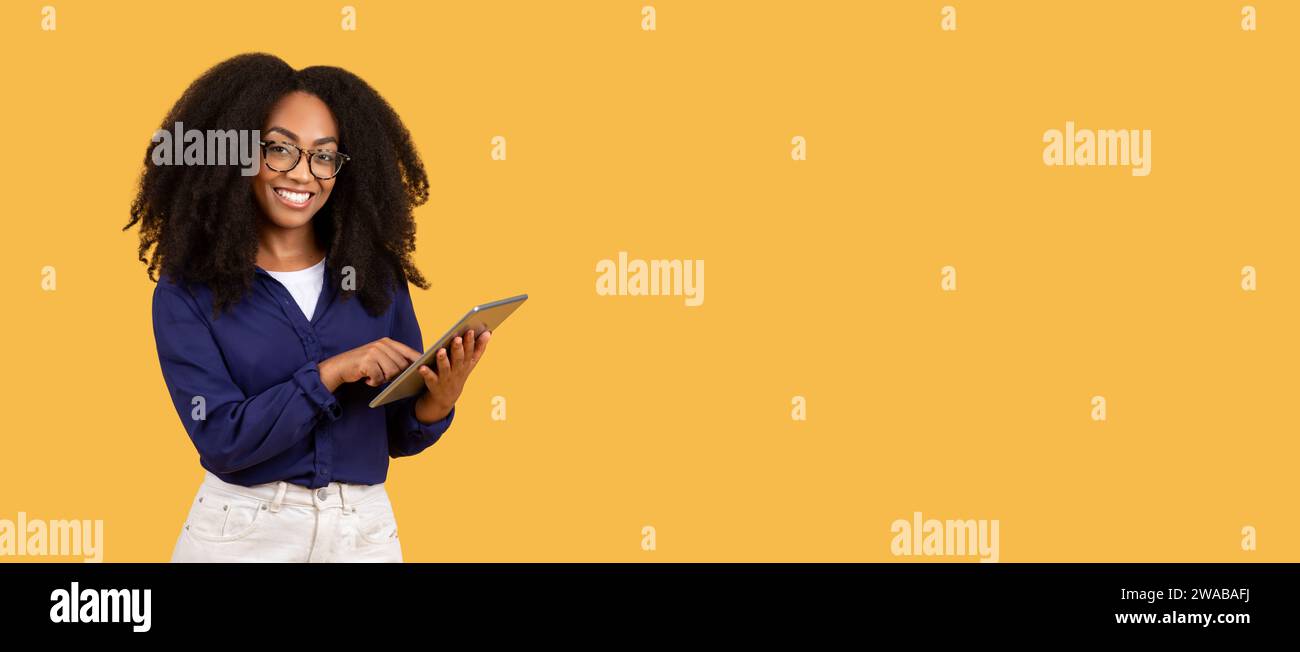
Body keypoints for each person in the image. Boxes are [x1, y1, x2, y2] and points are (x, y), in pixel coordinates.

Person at [124, 53, 490, 562]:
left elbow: (399, 435)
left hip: (363, 533)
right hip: (244, 535)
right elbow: (221, 439)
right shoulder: (188, 292)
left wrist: (441, 397)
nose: (303, 175)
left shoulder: (376, 278)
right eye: (280, 150)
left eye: (324, 156)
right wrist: (331, 373)